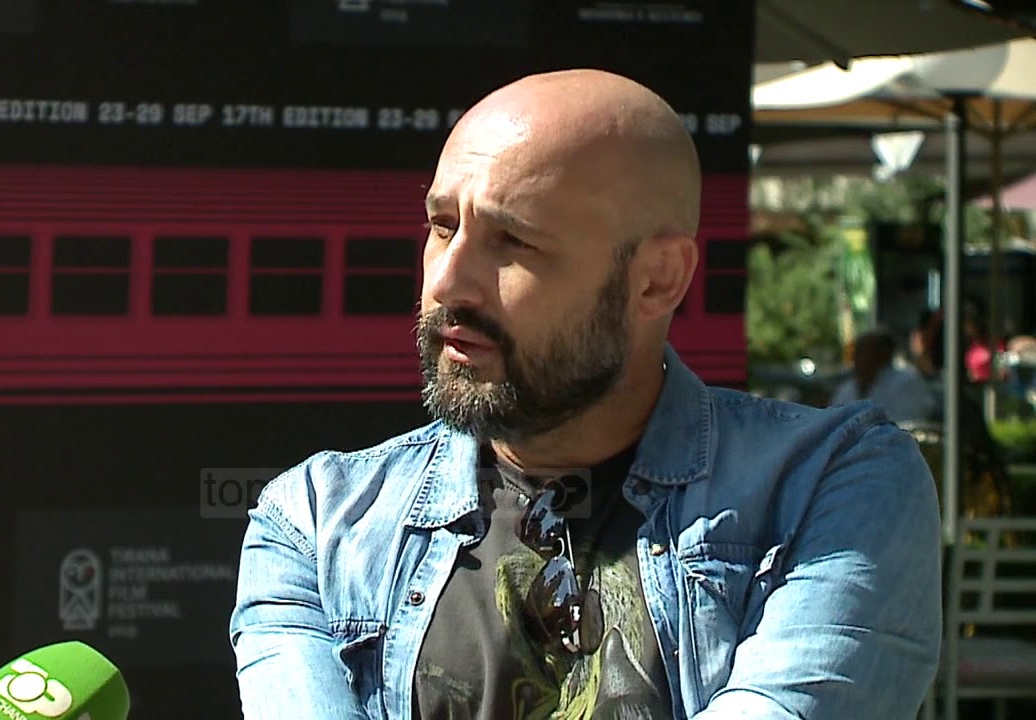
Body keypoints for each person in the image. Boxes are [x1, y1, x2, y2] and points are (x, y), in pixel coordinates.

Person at [229, 69, 942, 719]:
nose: (446, 281)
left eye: (513, 241)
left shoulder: (828, 483)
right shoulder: (318, 522)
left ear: (658, 279)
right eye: (443, 226)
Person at [830, 327, 936, 424]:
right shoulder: (846, 389)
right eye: (857, 353)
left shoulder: (907, 381)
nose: (857, 359)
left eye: (864, 352)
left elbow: (909, 424)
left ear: (885, 354)